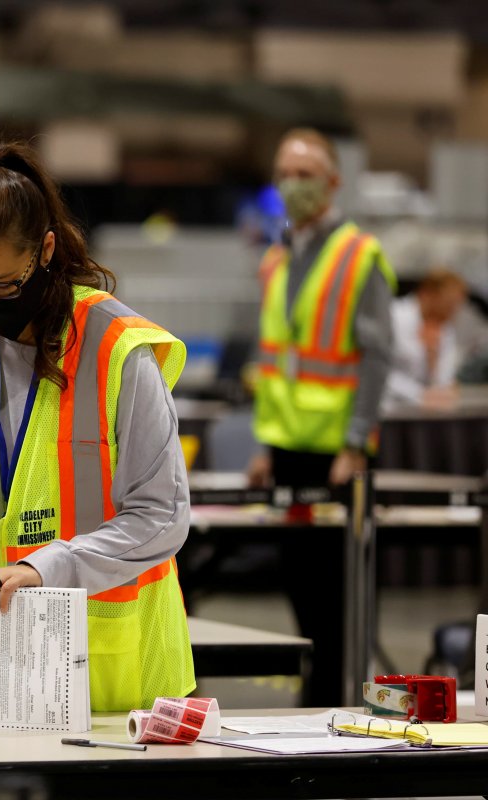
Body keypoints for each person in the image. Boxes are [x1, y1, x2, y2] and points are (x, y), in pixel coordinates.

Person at [0, 142, 195, 712]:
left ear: (45, 250)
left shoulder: (116, 348)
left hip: (117, 684)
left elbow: (162, 516)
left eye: (3, 285)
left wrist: (42, 569)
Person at [246, 128, 396, 706]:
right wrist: (263, 445)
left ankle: (339, 710)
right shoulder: (276, 258)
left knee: (338, 598)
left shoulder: (361, 255)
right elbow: (273, 358)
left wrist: (356, 443)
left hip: (338, 455)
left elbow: (378, 357)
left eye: (306, 173)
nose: (293, 183)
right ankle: (317, 709)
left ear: (333, 182)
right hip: (286, 449)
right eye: (285, 171)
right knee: (301, 592)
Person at [384, 268, 468, 410]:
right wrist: (419, 394)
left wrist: (432, 357)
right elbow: (380, 372)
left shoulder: (445, 328)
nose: (452, 312)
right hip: (388, 409)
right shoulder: (393, 318)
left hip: (425, 413)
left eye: (456, 305)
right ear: (427, 294)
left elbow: (443, 383)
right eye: (448, 304)